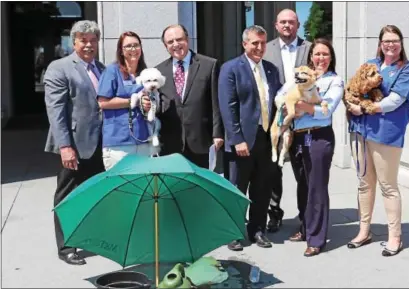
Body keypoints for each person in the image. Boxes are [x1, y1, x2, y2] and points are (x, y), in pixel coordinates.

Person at [345, 25, 409, 257]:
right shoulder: (372, 64)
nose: (390, 44)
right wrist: (350, 104)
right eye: (386, 40)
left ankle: (394, 236)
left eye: (395, 40)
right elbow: (354, 86)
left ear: (401, 43)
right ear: (380, 43)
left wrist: (364, 109)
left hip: (386, 134)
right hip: (360, 132)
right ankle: (364, 230)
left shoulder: (407, 70)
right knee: (364, 183)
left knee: (388, 186)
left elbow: (394, 101)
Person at [44, 20, 105, 265]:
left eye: (92, 41)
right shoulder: (59, 68)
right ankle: (66, 246)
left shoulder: (101, 67)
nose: (88, 45)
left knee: (93, 193)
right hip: (75, 145)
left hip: (101, 143)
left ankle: (89, 237)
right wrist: (65, 146)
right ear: (74, 41)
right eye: (83, 40)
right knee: (67, 195)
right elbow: (56, 110)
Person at [218, 25, 282, 251]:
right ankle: (233, 233)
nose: (259, 47)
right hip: (242, 141)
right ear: (245, 44)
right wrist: (236, 139)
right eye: (255, 43)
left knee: (262, 188)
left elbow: (279, 102)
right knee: (237, 189)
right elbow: (228, 107)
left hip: (266, 140)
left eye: (263, 43)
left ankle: (257, 230)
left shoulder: (272, 70)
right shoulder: (231, 69)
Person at [286, 38, 343, 257]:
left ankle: (316, 238)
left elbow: (326, 111)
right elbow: (283, 96)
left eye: (325, 54)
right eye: (317, 54)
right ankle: (305, 227)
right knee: (303, 185)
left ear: (331, 58)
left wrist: (302, 106)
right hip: (298, 138)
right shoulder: (302, 74)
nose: (321, 58)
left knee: (317, 187)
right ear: (311, 56)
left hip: (319, 138)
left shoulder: (334, 81)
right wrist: (303, 107)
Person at [263, 8, 312, 233]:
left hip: (302, 120)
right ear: (276, 25)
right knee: (274, 170)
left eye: (291, 22)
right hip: (276, 120)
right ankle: (275, 213)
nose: (287, 26)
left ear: (298, 25)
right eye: (283, 22)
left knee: (303, 171)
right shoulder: (266, 49)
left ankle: (306, 216)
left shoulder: (309, 48)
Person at [155, 24, 224, 168]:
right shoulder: (158, 72)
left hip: (201, 141)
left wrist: (218, 134)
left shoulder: (208, 65)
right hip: (170, 143)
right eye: (170, 42)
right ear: (165, 45)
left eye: (179, 39)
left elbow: (216, 103)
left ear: (188, 39)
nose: (176, 44)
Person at [97, 31, 155, 170]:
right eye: (128, 46)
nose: (133, 49)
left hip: (143, 141)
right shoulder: (112, 71)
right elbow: (103, 102)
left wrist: (148, 104)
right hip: (119, 143)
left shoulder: (146, 73)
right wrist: (131, 102)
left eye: (136, 45)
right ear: (121, 51)